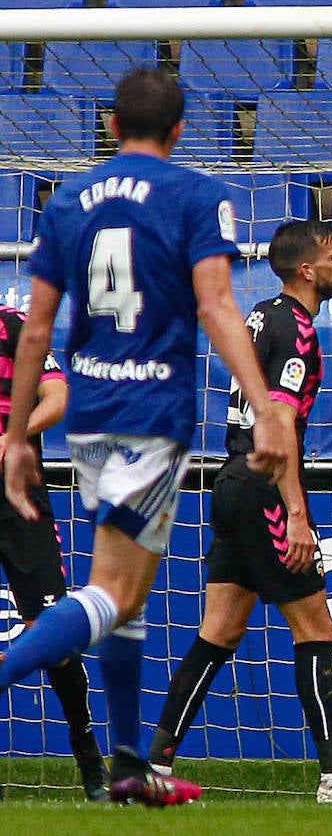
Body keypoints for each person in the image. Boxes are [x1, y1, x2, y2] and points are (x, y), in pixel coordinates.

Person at [0, 67, 291, 807]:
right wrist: (265, 405)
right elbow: (219, 305)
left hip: (90, 413)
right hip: (153, 414)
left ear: (110, 125)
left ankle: (129, 764)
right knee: (115, 592)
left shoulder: (67, 201)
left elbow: (36, 329)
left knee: (124, 593)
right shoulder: (195, 196)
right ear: (182, 129)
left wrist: (14, 434)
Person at [146, 221, 332, 804]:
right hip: (264, 485)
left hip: (230, 480)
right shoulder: (299, 329)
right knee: (315, 627)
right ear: (307, 270)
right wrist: (296, 513)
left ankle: (156, 764)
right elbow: (281, 422)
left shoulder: (261, 315)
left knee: (220, 630)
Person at [0, 304, 108, 801]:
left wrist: (12, 436)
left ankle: (90, 760)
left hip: (18, 496)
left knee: (54, 635)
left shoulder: (12, 325)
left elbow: (58, 395)